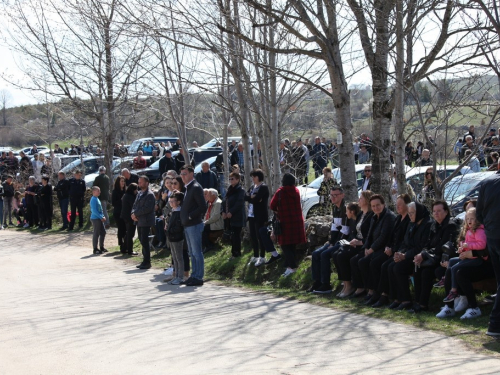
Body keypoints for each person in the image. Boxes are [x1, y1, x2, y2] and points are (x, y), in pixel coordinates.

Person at [410, 200, 459, 313]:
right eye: (434, 211)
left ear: (446, 211)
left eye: (439, 211)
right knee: (417, 268)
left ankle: (423, 305)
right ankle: (417, 302)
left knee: (427, 272)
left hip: (444, 259)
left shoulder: (450, 226)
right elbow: (427, 244)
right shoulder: (434, 225)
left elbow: (442, 246)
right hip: (433, 257)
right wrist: (421, 254)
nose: (436, 214)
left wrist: (424, 254)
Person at [353, 194, 396, 306]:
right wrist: (366, 247)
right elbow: (369, 235)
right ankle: (371, 290)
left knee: (374, 263)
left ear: (383, 204)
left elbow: (383, 237)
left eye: (378, 205)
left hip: (384, 248)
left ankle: (380, 293)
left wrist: (371, 250)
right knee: (361, 262)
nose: (376, 208)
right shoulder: (374, 217)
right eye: (373, 206)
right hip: (373, 248)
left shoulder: (389, 217)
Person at [389, 202, 433, 310]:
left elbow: (421, 246)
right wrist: (399, 253)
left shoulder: (427, 224)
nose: (410, 215)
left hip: (418, 256)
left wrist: (405, 255)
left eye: (412, 213)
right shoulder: (412, 223)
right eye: (409, 213)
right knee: (390, 266)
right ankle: (398, 298)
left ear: (419, 212)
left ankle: (406, 299)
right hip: (407, 254)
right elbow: (405, 241)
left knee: (398, 268)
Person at [372, 194, 412, 307]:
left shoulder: (409, 220)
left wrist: (394, 250)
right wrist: (388, 247)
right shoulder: (398, 218)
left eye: (400, 204)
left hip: (401, 252)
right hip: (393, 251)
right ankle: (382, 294)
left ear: (407, 205)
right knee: (379, 263)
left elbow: (404, 240)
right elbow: (391, 237)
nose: (397, 207)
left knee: (387, 266)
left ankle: (389, 296)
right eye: (396, 204)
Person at [307, 186, 349, 293]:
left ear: (342, 195)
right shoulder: (335, 208)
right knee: (316, 253)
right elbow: (334, 228)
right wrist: (330, 241)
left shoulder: (345, 208)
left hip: (344, 242)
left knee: (324, 254)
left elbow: (345, 231)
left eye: (336, 195)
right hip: (335, 241)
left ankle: (326, 285)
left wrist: (334, 244)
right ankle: (317, 282)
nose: (333, 197)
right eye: (331, 195)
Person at [476, 161, 500, 337]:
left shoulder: (487, 183)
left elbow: (479, 214)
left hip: (492, 237)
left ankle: (495, 324)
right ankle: (495, 323)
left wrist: (491, 228)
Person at [269, 173, 306, 277]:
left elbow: (272, 205)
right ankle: (290, 267)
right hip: (297, 221)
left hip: (285, 221)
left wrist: (277, 211)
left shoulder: (280, 192)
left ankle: (293, 267)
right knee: (292, 245)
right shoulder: (296, 191)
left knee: (284, 245)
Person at [180, 165, 207, 286]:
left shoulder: (195, 187)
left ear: (192, 174)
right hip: (188, 225)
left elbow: (202, 206)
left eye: (185, 174)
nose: (182, 176)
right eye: (181, 174)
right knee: (192, 252)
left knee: (197, 252)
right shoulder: (188, 188)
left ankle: (199, 277)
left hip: (194, 224)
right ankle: (194, 274)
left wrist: (190, 216)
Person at [244, 169, 269, 266]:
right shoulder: (252, 187)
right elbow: (245, 197)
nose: (253, 179)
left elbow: (258, 199)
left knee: (260, 236)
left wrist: (253, 198)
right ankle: (255, 255)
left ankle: (262, 256)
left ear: (259, 177)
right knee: (253, 236)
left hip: (260, 215)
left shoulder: (263, 187)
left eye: (254, 177)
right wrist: (252, 197)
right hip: (251, 215)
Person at [131, 176, 156, 269]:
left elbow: (147, 208)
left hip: (146, 221)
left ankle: (147, 261)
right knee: (141, 240)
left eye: (141, 182)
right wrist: (133, 213)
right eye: (139, 182)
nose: (139, 184)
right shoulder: (139, 193)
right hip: (139, 221)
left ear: (147, 183)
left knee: (144, 241)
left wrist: (136, 213)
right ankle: (144, 260)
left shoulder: (149, 195)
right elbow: (134, 205)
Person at [222, 172, 246, 259]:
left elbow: (239, 203)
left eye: (232, 179)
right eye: (230, 179)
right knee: (232, 235)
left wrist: (231, 212)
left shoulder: (240, 190)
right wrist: (223, 212)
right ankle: (233, 253)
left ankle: (237, 253)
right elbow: (224, 202)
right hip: (229, 218)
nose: (231, 180)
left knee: (236, 235)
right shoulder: (229, 191)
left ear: (238, 179)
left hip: (237, 216)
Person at [166, 192, 185, 285]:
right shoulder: (172, 212)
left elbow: (179, 226)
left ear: (178, 202)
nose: (171, 203)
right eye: (170, 201)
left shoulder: (179, 212)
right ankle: (176, 276)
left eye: (173, 201)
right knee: (174, 258)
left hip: (177, 237)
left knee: (179, 258)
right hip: (171, 237)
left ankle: (180, 277)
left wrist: (170, 230)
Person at [202, 188, 224, 253]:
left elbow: (216, 216)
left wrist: (206, 222)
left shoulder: (218, 203)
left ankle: (209, 246)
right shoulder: (210, 203)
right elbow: (206, 214)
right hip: (211, 222)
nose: (206, 196)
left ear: (213, 195)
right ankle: (203, 246)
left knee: (203, 229)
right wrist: (203, 221)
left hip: (216, 224)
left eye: (208, 194)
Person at [121, 183, 139, 256]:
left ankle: (124, 248)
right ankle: (130, 250)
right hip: (130, 217)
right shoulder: (130, 197)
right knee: (130, 233)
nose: (137, 191)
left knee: (128, 233)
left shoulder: (126, 195)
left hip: (125, 216)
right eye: (136, 189)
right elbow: (134, 206)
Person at [89, 186, 107, 254]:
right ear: (94, 192)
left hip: (99, 218)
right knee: (96, 233)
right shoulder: (93, 199)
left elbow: (100, 210)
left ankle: (101, 247)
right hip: (95, 218)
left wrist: (103, 216)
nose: (99, 192)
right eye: (98, 191)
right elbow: (94, 210)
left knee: (103, 232)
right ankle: (95, 248)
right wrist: (101, 217)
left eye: (99, 190)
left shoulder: (97, 199)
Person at [112, 176, 127, 252]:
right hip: (118, 212)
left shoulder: (125, 191)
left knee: (125, 228)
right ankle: (121, 244)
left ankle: (126, 244)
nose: (123, 183)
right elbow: (113, 203)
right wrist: (121, 200)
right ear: (118, 182)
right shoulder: (115, 191)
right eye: (121, 181)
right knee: (121, 228)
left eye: (124, 181)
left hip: (125, 212)